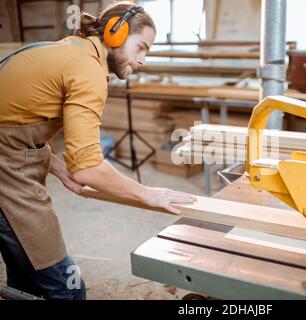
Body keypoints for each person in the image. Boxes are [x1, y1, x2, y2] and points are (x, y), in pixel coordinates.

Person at [0, 1, 195, 300]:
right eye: (141, 47)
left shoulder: (72, 49)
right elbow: (87, 167)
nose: (144, 60)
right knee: (69, 289)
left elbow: (17, 120)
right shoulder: (88, 69)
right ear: (116, 33)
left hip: (8, 161)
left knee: (24, 281)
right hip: (6, 178)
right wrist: (148, 193)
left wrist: (56, 165)